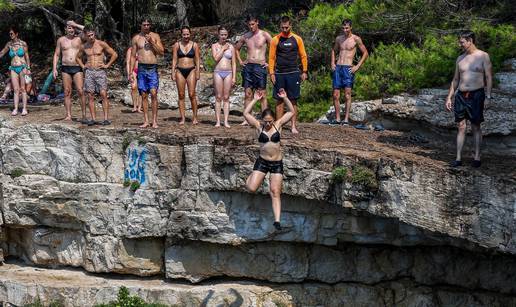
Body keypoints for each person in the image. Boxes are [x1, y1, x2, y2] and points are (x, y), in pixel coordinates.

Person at [244, 88, 294, 231]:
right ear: (262, 120)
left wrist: (285, 98)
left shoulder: (278, 125)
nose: (268, 124)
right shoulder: (258, 126)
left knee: (275, 191)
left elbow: (291, 112)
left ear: (273, 119)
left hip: (277, 163)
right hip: (262, 162)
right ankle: (251, 177)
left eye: (270, 121)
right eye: (265, 121)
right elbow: (245, 113)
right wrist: (255, 99)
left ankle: (277, 221)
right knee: (251, 188)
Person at [445, 31, 492, 168]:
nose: (460, 45)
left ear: (470, 40)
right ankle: (458, 158)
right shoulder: (460, 58)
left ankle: (477, 157)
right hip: (461, 95)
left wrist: (488, 97)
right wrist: (449, 97)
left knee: (476, 126)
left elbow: (488, 77)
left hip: (476, 95)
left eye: (462, 42)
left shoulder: (483, 56)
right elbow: (455, 80)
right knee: (460, 126)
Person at [269, 16, 308, 134]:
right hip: (279, 73)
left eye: (287, 27)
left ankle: (293, 126)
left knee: (293, 100)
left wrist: (305, 71)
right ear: (280, 26)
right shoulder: (275, 39)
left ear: (290, 26)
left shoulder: (297, 39)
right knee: (279, 100)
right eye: (282, 27)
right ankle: (278, 126)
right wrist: (271, 73)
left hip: (293, 73)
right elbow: (271, 58)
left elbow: (303, 56)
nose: (285, 29)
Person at [76, 26, 118, 125]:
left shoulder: (101, 44)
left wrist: (107, 65)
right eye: (88, 35)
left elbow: (114, 54)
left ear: (94, 34)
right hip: (89, 72)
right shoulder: (84, 46)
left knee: (103, 94)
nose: (91, 37)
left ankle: (106, 118)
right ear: (85, 36)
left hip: (100, 71)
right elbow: (77, 58)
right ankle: (93, 119)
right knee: (90, 95)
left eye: (92, 35)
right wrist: (83, 66)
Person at [330, 19, 368, 125]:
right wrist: (332, 62)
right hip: (338, 68)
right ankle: (337, 119)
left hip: (348, 68)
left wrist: (357, 66)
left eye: (347, 28)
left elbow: (365, 53)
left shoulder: (356, 39)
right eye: (343, 28)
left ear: (351, 27)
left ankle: (346, 119)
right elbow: (334, 50)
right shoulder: (339, 39)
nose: (345, 30)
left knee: (347, 94)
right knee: (335, 95)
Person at [235, 15, 272, 125]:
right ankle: (247, 119)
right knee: (248, 94)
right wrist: (241, 61)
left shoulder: (264, 34)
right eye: (249, 24)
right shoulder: (246, 36)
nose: (251, 26)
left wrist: (270, 63)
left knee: (262, 94)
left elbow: (275, 47)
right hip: (248, 67)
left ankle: (266, 118)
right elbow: (236, 49)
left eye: (253, 24)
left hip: (260, 67)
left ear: (257, 23)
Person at [130, 18, 165, 128]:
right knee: (144, 95)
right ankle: (146, 120)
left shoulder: (155, 36)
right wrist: (131, 72)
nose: (146, 26)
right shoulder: (136, 38)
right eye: (144, 24)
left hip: (152, 68)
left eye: (148, 24)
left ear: (150, 25)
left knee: (154, 93)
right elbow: (132, 56)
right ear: (140, 25)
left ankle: (154, 121)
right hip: (141, 69)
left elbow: (161, 52)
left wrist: (152, 42)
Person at [52, 20, 87, 122]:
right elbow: (57, 54)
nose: (71, 29)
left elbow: (88, 30)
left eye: (73, 28)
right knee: (67, 92)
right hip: (65, 68)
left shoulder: (80, 38)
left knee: (80, 91)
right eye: (69, 27)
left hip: (77, 67)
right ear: (65, 29)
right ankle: (68, 115)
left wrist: (75, 24)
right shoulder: (61, 40)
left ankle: (84, 115)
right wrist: (54, 68)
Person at [171, 26, 200, 125]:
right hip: (180, 70)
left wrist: (198, 71)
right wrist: (172, 72)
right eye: (184, 34)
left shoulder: (195, 45)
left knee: (192, 94)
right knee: (181, 94)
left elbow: (197, 59)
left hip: (191, 69)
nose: (186, 36)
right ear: (181, 35)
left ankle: (195, 117)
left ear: (190, 34)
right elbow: (174, 59)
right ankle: (182, 118)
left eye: (187, 34)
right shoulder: (177, 45)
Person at [0, 26, 31, 116]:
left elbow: (27, 57)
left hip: (22, 67)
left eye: (12, 33)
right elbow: (2, 53)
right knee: (16, 89)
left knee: (23, 89)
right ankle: (16, 108)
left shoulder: (23, 44)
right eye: (9, 34)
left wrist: (28, 68)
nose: (10, 35)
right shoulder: (9, 44)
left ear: (16, 34)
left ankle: (24, 108)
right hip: (13, 68)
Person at [211, 26, 236, 128]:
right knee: (218, 97)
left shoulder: (231, 47)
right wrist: (222, 48)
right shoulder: (214, 46)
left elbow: (234, 63)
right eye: (221, 34)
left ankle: (225, 121)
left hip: (228, 73)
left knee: (226, 97)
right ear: (218, 35)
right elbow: (216, 58)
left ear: (227, 35)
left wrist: (234, 77)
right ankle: (217, 121)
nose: (223, 36)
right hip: (218, 72)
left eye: (225, 34)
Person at [126, 46, 142, 113]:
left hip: (142, 70)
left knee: (141, 89)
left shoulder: (142, 49)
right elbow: (128, 62)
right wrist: (128, 73)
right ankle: (135, 106)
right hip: (133, 70)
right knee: (133, 87)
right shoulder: (130, 49)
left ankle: (139, 107)